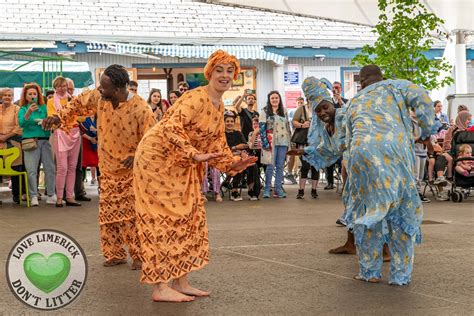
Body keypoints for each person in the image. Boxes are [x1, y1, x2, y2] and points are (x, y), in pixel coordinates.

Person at [133, 50, 257, 302]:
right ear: (209, 73)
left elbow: (218, 145)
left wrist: (233, 164)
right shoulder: (195, 98)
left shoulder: (219, 104)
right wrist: (193, 153)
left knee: (189, 215)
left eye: (229, 71)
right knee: (164, 219)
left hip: (183, 162)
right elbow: (170, 126)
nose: (224, 75)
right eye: (219, 70)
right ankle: (160, 287)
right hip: (156, 159)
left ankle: (181, 280)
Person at [297, 65, 436, 285]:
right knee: (401, 211)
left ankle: (370, 272)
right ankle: (400, 275)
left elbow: (340, 144)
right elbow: (423, 99)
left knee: (367, 210)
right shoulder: (396, 86)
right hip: (393, 155)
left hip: (361, 158)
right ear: (382, 77)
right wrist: (428, 130)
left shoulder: (354, 103)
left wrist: (307, 151)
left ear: (361, 82)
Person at [43, 64, 156, 268]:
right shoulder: (100, 98)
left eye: (104, 87)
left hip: (132, 172)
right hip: (107, 168)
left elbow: (152, 139)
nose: (100, 90)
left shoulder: (141, 109)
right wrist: (58, 118)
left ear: (119, 89)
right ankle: (115, 253)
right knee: (108, 215)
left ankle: (140, 255)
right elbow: (77, 104)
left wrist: (137, 154)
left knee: (132, 217)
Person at [18, 83, 56, 207]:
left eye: (35, 93)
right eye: (30, 94)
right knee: (32, 170)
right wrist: (29, 111)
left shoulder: (44, 107)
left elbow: (49, 120)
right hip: (30, 141)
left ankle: (51, 194)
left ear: (38, 94)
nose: (32, 96)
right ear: (25, 95)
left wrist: (43, 120)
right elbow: (22, 124)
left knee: (50, 168)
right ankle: (33, 195)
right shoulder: (23, 108)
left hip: (45, 139)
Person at [47, 76, 81, 207]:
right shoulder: (51, 101)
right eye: (59, 86)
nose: (62, 88)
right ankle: (59, 197)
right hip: (60, 134)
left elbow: (80, 116)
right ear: (55, 87)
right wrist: (65, 118)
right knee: (62, 168)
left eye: (64, 86)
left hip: (74, 133)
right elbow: (52, 116)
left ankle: (70, 196)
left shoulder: (73, 99)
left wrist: (74, 118)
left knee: (72, 167)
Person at [259, 91, 291, 198]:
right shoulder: (264, 111)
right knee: (270, 166)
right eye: (272, 98)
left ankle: (278, 189)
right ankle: (267, 189)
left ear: (279, 99)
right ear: (269, 99)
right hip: (270, 142)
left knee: (280, 166)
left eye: (276, 98)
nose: (274, 100)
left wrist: (290, 143)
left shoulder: (284, 111)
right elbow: (262, 128)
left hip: (283, 142)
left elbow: (287, 127)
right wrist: (265, 142)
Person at [66, 78, 91, 202]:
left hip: (77, 135)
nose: (69, 91)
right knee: (63, 167)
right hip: (63, 136)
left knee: (78, 165)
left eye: (71, 88)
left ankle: (79, 191)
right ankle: (64, 193)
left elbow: (83, 117)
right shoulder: (58, 101)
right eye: (67, 88)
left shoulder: (77, 100)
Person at [0, 88, 25, 204]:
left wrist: (5, 137)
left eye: (10, 95)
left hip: (13, 142)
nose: (7, 97)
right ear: (1, 97)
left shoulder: (17, 109)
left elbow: (19, 127)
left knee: (15, 168)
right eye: (5, 95)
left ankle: (16, 195)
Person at [292, 97, 319, 199]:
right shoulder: (301, 109)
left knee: (315, 166)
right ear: (307, 99)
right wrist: (303, 125)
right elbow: (294, 122)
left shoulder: (319, 109)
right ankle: (301, 190)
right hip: (304, 141)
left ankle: (314, 190)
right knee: (305, 166)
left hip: (316, 142)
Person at [80, 115, 99, 185]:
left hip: (98, 143)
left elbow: (105, 129)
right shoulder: (83, 118)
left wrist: (96, 131)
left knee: (98, 164)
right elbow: (80, 131)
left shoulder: (100, 116)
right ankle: (81, 187)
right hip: (86, 143)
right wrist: (90, 138)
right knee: (83, 165)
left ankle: (101, 186)